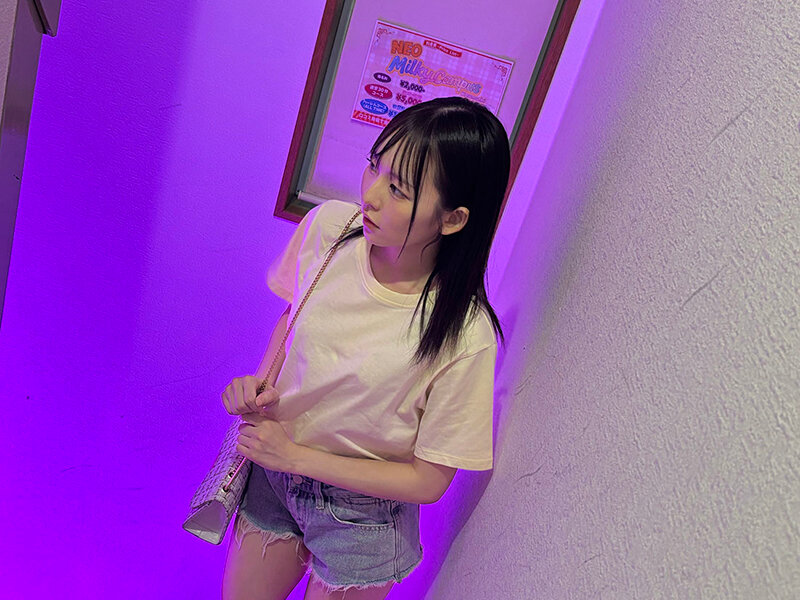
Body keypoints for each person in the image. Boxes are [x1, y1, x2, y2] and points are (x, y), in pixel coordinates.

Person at [220, 96, 510, 600]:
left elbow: (428, 482)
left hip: (364, 517)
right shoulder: (331, 229)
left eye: (398, 189)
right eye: (374, 165)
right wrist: (259, 386)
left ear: (453, 219)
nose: (370, 195)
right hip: (274, 473)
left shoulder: (465, 333)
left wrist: (296, 457)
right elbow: (294, 315)